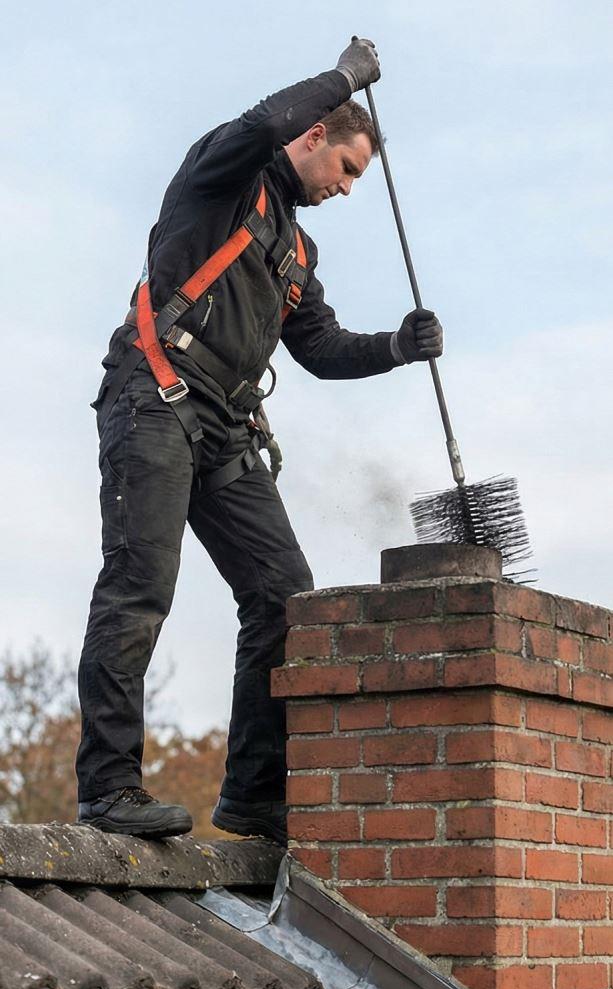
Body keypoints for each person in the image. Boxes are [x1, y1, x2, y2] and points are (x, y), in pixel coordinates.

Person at [76, 39, 443, 845]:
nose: (347, 187)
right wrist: (346, 76)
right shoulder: (225, 175)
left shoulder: (296, 251)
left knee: (283, 591)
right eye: (346, 168)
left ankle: (251, 794)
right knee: (140, 586)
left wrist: (395, 346)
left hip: (226, 428)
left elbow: (321, 348)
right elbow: (260, 123)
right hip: (155, 395)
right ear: (313, 135)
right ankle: (107, 788)